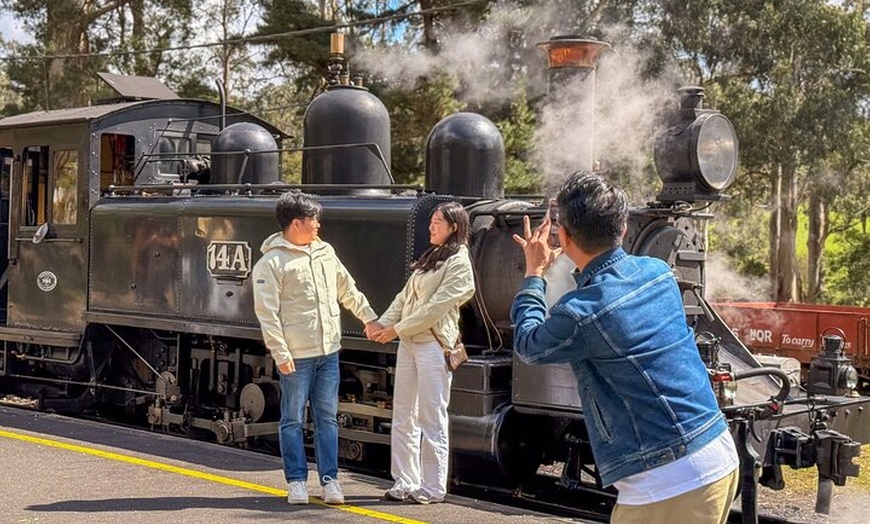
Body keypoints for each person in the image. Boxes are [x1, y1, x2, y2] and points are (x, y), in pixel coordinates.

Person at [510, 172, 739, 524]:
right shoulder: (659, 272)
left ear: (565, 236)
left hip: (669, 480)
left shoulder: (581, 312)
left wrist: (534, 274)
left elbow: (529, 345)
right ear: (623, 228)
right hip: (716, 451)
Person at [253, 191, 380, 506]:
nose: (318, 224)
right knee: (292, 419)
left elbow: (347, 289)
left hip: (328, 353)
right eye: (313, 220)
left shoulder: (325, 252)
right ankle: (296, 481)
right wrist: (281, 353)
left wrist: (369, 318)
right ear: (296, 223)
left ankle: (329, 480)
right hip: (296, 357)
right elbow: (267, 314)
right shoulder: (271, 263)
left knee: (327, 418)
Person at [368, 202, 476, 505]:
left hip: (433, 345)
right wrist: (381, 324)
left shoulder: (459, 263)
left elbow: (435, 308)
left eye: (438, 222)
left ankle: (432, 486)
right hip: (410, 342)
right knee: (404, 414)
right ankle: (404, 480)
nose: (431, 226)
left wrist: (395, 330)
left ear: (454, 227)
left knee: (431, 416)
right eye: (431, 221)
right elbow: (404, 298)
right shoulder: (432, 257)